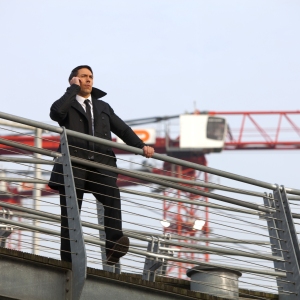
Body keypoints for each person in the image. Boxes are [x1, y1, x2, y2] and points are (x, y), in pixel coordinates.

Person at [48, 65, 154, 265]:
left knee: (112, 195)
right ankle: (68, 262)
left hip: (100, 163)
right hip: (74, 164)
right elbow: (55, 113)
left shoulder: (102, 106)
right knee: (71, 211)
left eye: (90, 76)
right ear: (74, 80)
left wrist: (141, 146)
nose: (88, 80)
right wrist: (71, 90)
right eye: (83, 77)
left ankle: (114, 246)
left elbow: (122, 129)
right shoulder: (67, 104)